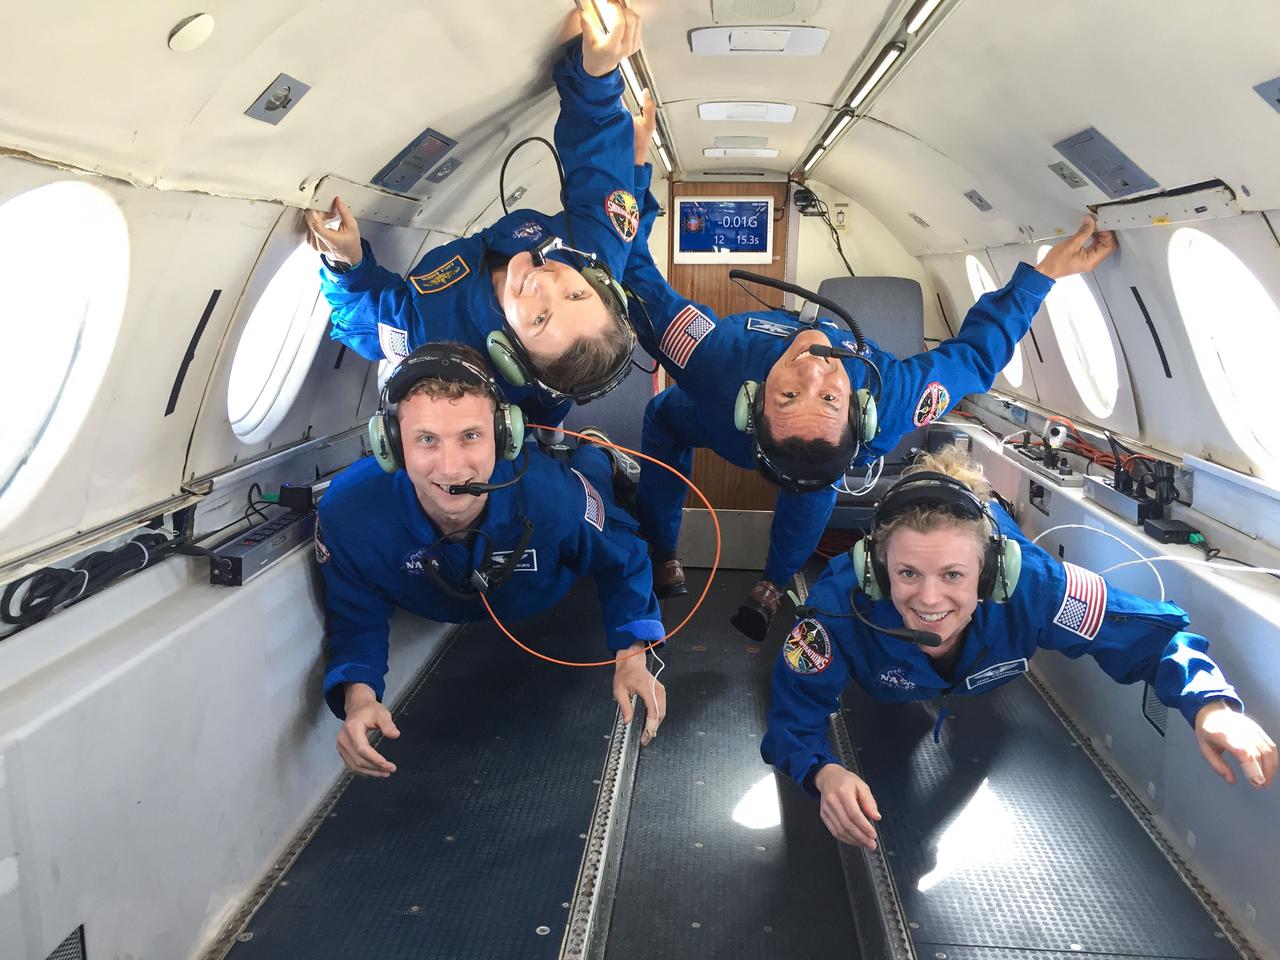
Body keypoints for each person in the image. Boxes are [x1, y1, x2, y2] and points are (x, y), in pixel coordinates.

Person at [621, 134, 1117, 641]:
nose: (814, 371)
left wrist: (637, 169)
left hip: (745, 425)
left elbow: (637, 278)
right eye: (816, 395)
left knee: (810, 477)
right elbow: (974, 357)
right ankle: (663, 551)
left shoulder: (714, 361)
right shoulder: (890, 398)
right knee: (671, 422)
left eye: (800, 395)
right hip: (722, 425)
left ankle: (768, 585)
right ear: (750, 404)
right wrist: (1048, 273)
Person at [761, 446, 1276, 848]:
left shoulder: (1037, 586)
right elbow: (791, 717)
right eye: (907, 573)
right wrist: (822, 772)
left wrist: (1211, 704)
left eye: (954, 574)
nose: (930, 598)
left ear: (992, 575)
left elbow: (1157, 639)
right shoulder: (835, 610)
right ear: (876, 573)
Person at [317, 342, 666, 777]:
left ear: (504, 437)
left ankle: (597, 450)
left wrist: (632, 652)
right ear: (390, 444)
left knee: (591, 478)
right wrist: (360, 699)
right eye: (426, 439)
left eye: (470, 436)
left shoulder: (553, 498)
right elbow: (354, 618)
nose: (451, 468)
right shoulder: (350, 513)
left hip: (549, 568)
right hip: (451, 599)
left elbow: (625, 560)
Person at [303, 2, 644, 425]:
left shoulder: (440, 339)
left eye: (539, 318)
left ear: (510, 350)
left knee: (535, 431)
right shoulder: (595, 247)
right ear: (599, 284)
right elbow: (600, 162)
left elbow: (365, 322)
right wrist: (597, 73)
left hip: (522, 405)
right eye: (577, 294)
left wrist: (347, 262)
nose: (544, 282)